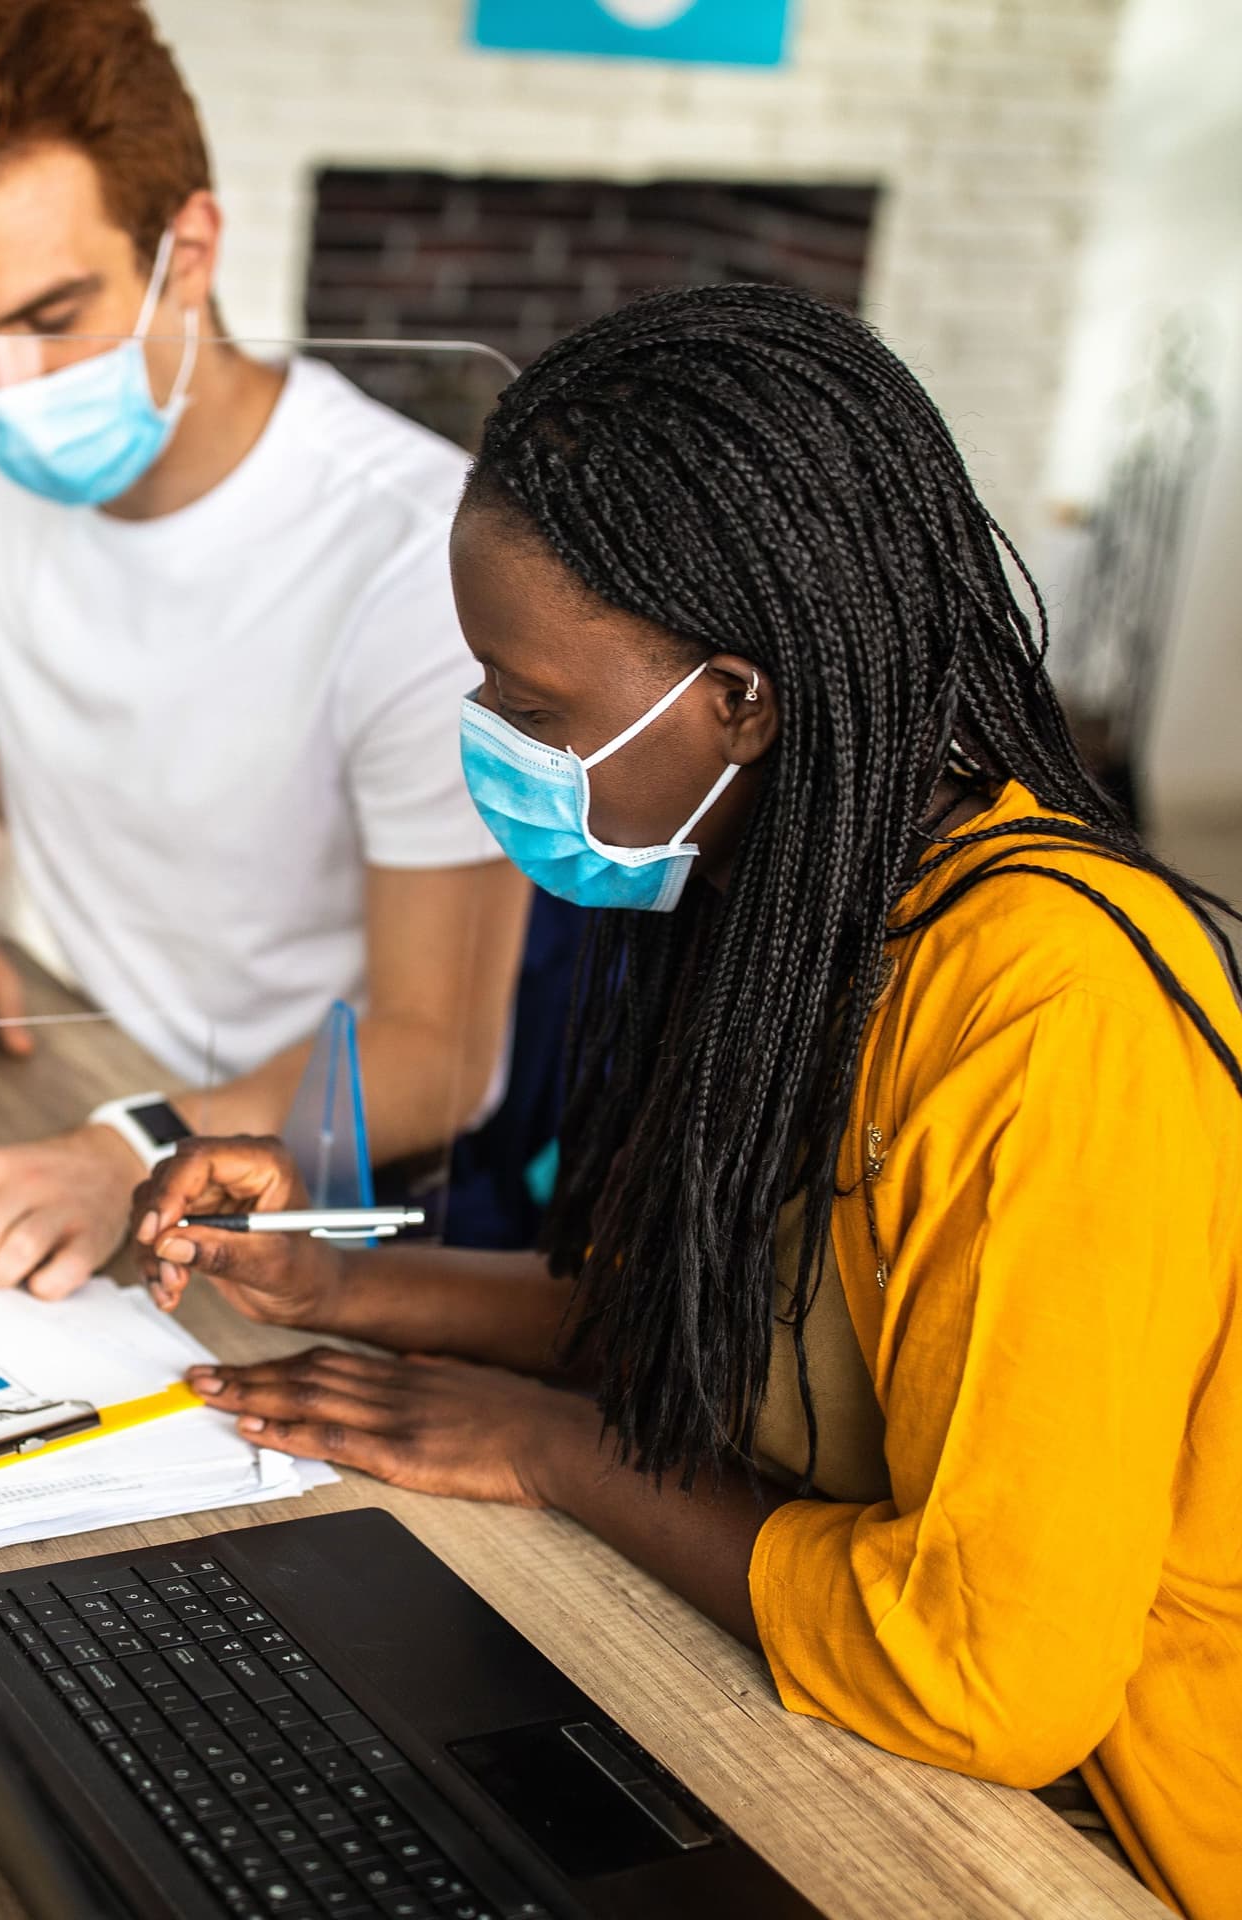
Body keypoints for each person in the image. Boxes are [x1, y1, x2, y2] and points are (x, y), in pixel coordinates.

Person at [130, 285, 1242, 1918]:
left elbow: (992, 1679)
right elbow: (737, 1340)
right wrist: (343, 1284)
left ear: (737, 698)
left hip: (1099, 1841)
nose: (488, 740)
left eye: (530, 704)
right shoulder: (793, 894)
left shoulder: (1053, 1007)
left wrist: (562, 1456)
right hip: (865, 1730)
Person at [0, 0, 527, 1298]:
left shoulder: (415, 555)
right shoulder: (11, 487)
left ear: (187, 248)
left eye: (51, 315)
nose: (7, 389)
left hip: (285, 1208)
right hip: (65, 1086)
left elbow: (441, 1051)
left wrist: (133, 1150)